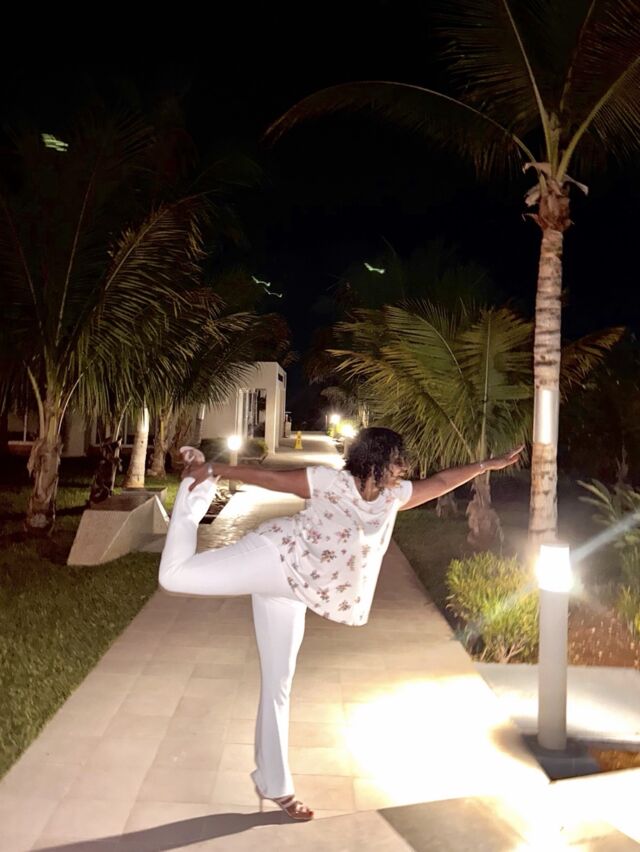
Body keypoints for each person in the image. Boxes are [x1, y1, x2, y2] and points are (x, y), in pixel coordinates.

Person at [159, 428, 522, 821]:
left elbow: (441, 481)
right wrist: (213, 470)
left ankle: (275, 784)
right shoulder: (328, 481)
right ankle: (194, 492)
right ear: (375, 461)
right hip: (274, 557)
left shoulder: (392, 497)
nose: (404, 469)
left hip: (293, 592)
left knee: (279, 683)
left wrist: (488, 464)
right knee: (175, 576)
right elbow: (268, 478)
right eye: (397, 461)